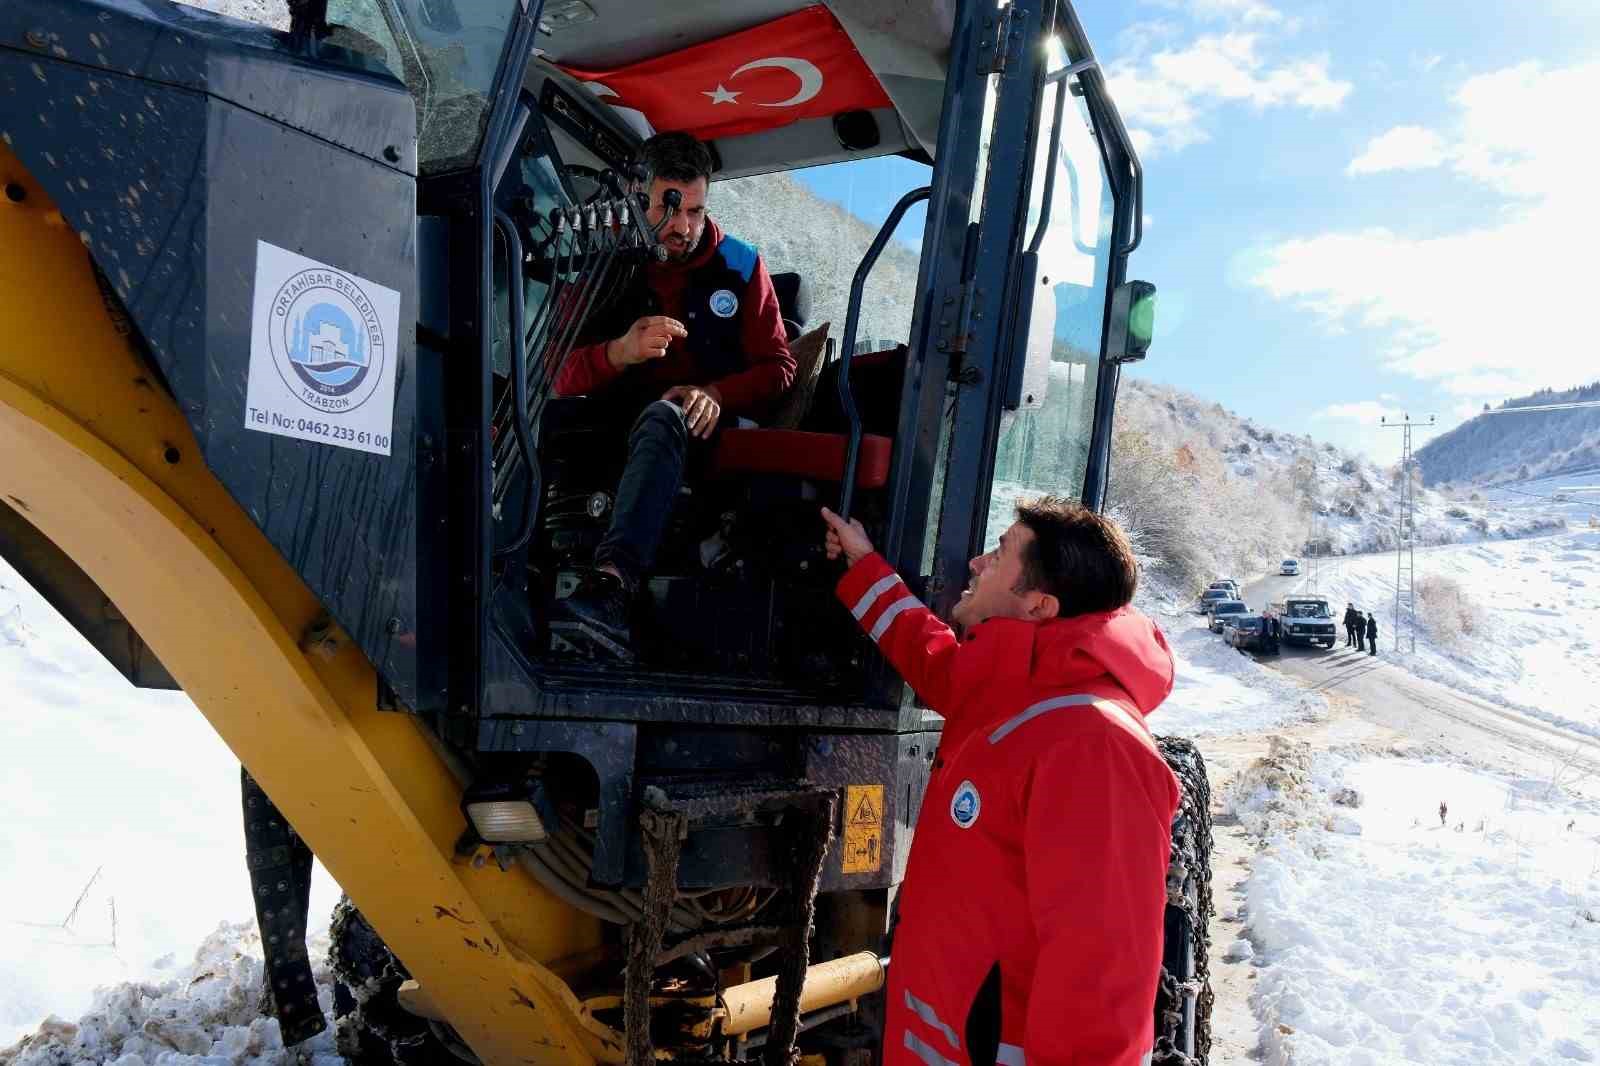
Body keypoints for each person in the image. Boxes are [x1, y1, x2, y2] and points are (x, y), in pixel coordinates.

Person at [821, 497, 1180, 1066]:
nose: (977, 563)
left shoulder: (1092, 744)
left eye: (1002, 552)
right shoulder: (1018, 687)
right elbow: (928, 651)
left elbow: (1103, 974)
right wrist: (865, 566)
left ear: (1038, 605)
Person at [551, 132, 795, 657]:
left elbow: (780, 368)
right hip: (608, 425)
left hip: (700, 434)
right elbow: (549, 374)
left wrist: (715, 393)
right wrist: (617, 352)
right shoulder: (602, 262)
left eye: (696, 210)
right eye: (670, 208)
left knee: (667, 413)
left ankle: (611, 585)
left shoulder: (741, 266)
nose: (683, 226)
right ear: (638, 196)